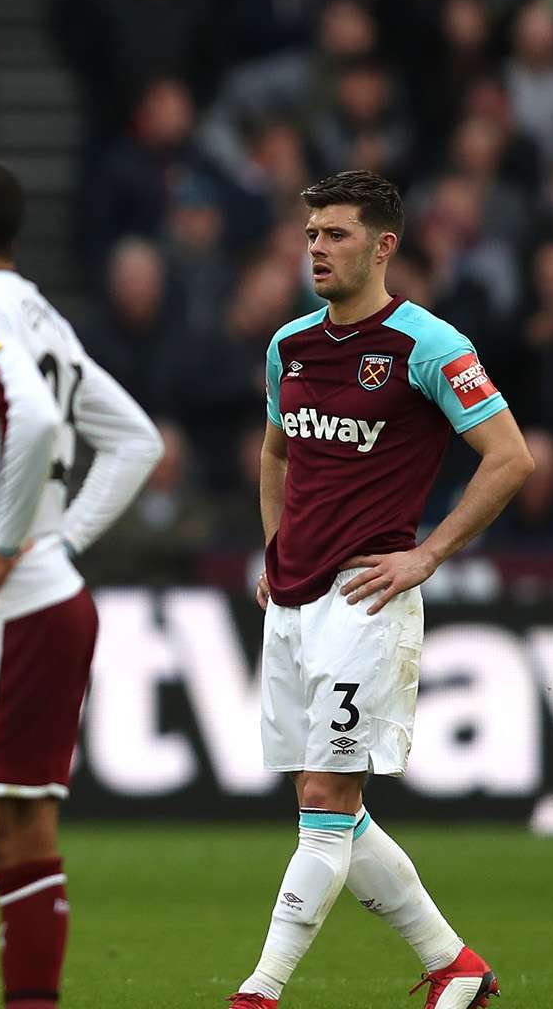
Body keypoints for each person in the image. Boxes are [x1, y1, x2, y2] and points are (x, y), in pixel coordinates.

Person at [226, 170, 533, 1009]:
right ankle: (455, 965)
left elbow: (511, 458)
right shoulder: (288, 344)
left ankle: (259, 993)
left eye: (335, 235)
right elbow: (277, 452)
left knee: (326, 802)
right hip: (289, 602)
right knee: (329, 812)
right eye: (312, 234)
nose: (317, 249)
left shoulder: (430, 346)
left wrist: (428, 554)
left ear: (383, 245)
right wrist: (276, 547)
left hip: (368, 599)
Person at [0, 155, 162, 1009]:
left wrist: (14, 547)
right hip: (53, 601)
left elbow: (38, 415)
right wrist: (60, 544)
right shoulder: (42, 315)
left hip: (3, 607)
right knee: (24, 831)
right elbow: (135, 441)